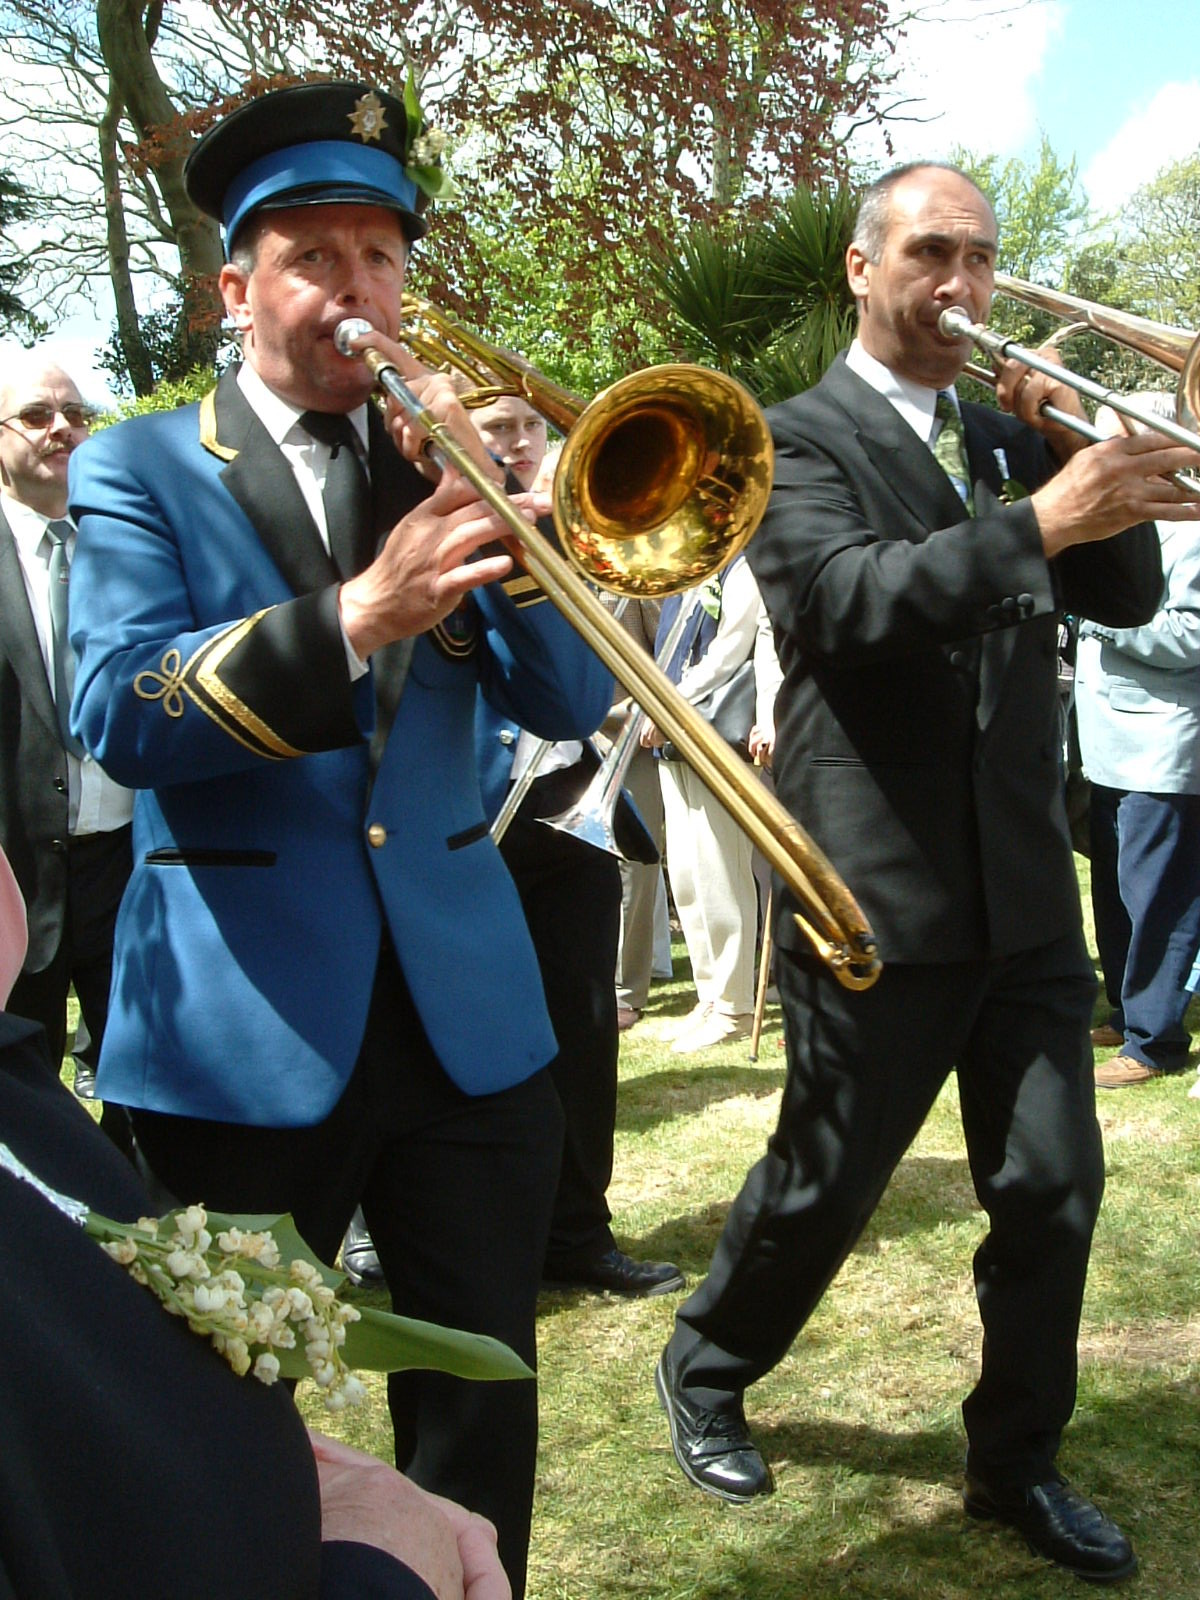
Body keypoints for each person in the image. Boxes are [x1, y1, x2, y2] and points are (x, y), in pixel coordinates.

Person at [65, 80, 612, 1599]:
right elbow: (118, 713)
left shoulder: (436, 464)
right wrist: (363, 611)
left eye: (378, 255)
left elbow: (570, 699)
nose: (353, 290)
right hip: (241, 1029)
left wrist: (522, 533)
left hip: (467, 1023)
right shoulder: (140, 470)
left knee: (484, 1398)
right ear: (234, 288)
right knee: (225, 1418)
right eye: (313, 255)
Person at [655, 161, 1200, 1584]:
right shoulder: (791, 438)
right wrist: (1038, 517)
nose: (963, 287)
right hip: (875, 885)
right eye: (934, 254)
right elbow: (844, 605)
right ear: (861, 266)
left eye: (983, 261)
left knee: (1052, 1191)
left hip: (1021, 883)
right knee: (827, 1179)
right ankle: (709, 1363)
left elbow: (1128, 597)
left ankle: (1014, 1460)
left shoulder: (1003, 433)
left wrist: (1082, 461)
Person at [0, 845, 508, 1600]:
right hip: (247, 1026)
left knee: (483, 1403)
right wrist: (385, 1558)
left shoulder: (26, 1108)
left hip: (455, 998)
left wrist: (304, 1470)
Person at [471, 391, 683, 1297]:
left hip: (569, 798)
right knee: (447, 1028)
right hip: (471, 809)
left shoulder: (578, 531)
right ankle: (385, 1224)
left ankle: (578, 1233)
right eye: (494, 433)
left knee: (584, 1029)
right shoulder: (438, 526)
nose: (515, 444)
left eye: (526, 428)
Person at [0, 352, 133, 1134]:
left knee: (145, 1102)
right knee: (22, 1104)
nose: (64, 430)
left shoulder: (128, 547)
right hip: (14, 881)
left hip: (128, 871)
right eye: (38, 416)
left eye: (78, 415)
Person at [1073, 396, 1200, 1088]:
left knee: (1160, 899)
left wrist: (1101, 623)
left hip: (1160, 747)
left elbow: (1190, 635)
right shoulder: (1128, 526)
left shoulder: (1193, 529)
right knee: (1117, 892)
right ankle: (1126, 1012)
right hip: (1110, 741)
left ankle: (1155, 1039)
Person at [644, 555, 765, 1052]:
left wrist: (664, 703)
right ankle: (710, 994)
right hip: (676, 734)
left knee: (722, 873)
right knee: (689, 875)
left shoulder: (741, 565)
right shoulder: (683, 566)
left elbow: (729, 653)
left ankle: (735, 1005)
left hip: (711, 731)